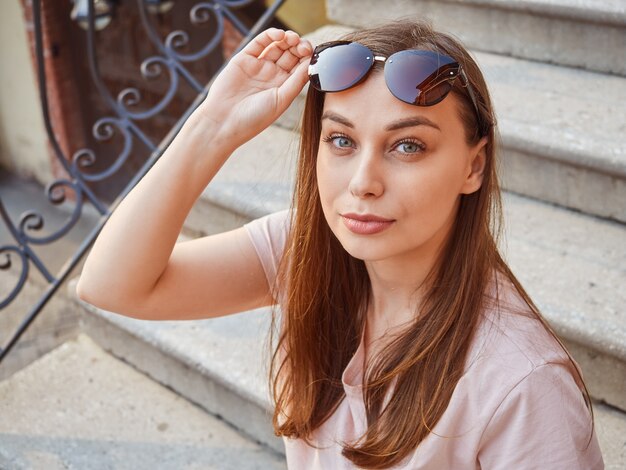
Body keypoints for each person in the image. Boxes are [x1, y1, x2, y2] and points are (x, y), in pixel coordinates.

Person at [76, 19, 604, 469]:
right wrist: (212, 127)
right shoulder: (305, 250)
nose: (363, 182)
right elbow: (113, 286)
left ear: (474, 165)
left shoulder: (524, 387)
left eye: (408, 145)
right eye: (342, 140)